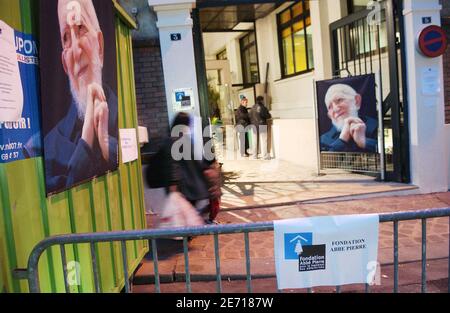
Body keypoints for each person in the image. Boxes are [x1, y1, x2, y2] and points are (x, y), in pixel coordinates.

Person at [44, 0, 118, 193]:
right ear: (64, 64)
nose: (76, 52)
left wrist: (104, 141)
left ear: (100, 47)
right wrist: (87, 135)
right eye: (66, 37)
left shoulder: (123, 118)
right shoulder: (44, 148)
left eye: (81, 28)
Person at [320, 84, 377, 153]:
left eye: (339, 100)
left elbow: (388, 150)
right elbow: (325, 161)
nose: (335, 109)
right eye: (330, 107)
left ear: (357, 101)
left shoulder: (375, 125)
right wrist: (342, 140)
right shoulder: (324, 139)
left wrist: (364, 142)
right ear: (329, 115)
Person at [249, 96, 272, 160]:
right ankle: (264, 156)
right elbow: (268, 116)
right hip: (262, 125)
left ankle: (254, 156)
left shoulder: (252, 107)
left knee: (254, 141)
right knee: (263, 140)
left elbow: (249, 116)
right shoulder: (263, 107)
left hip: (254, 126)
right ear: (261, 100)